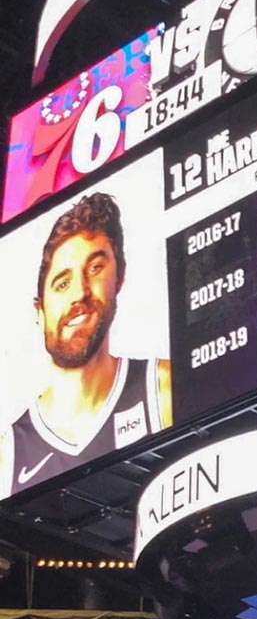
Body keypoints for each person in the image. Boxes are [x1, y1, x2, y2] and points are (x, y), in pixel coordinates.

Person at [0, 192, 171, 496]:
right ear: (39, 311)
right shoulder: (7, 457)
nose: (79, 293)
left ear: (118, 278)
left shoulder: (163, 391)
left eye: (94, 268)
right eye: (62, 283)